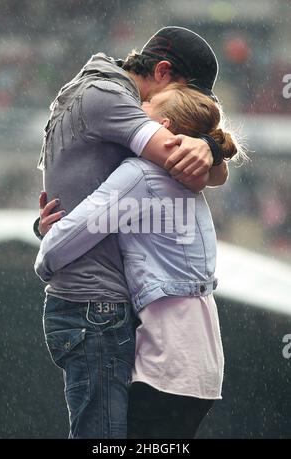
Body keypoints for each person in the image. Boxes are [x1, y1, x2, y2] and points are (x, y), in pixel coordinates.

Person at [35, 26, 228, 438]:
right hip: (99, 309)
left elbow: (204, 171)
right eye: (187, 93)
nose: (145, 109)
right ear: (162, 71)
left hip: (105, 313)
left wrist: (209, 148)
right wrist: (207, 147)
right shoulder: (111, 98)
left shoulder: (99, 94)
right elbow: (189, 168)